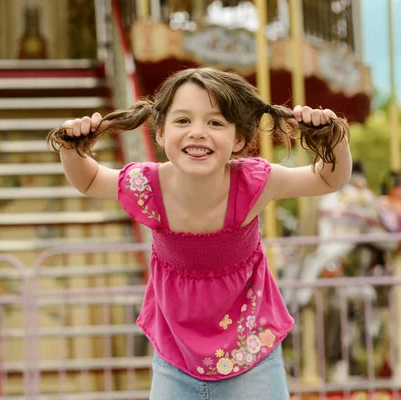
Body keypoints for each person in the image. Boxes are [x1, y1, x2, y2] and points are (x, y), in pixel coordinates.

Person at [47, 67, 352, 399]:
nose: (197, 132)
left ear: (239, 140)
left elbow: (327, 178)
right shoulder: (146, 186)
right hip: (174, 357)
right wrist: (72, 148)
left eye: (215, 122)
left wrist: (333, 140)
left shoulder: (254, 183)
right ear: (160, 133)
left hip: (252, 354)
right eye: (182, 121)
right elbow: (89, 180)